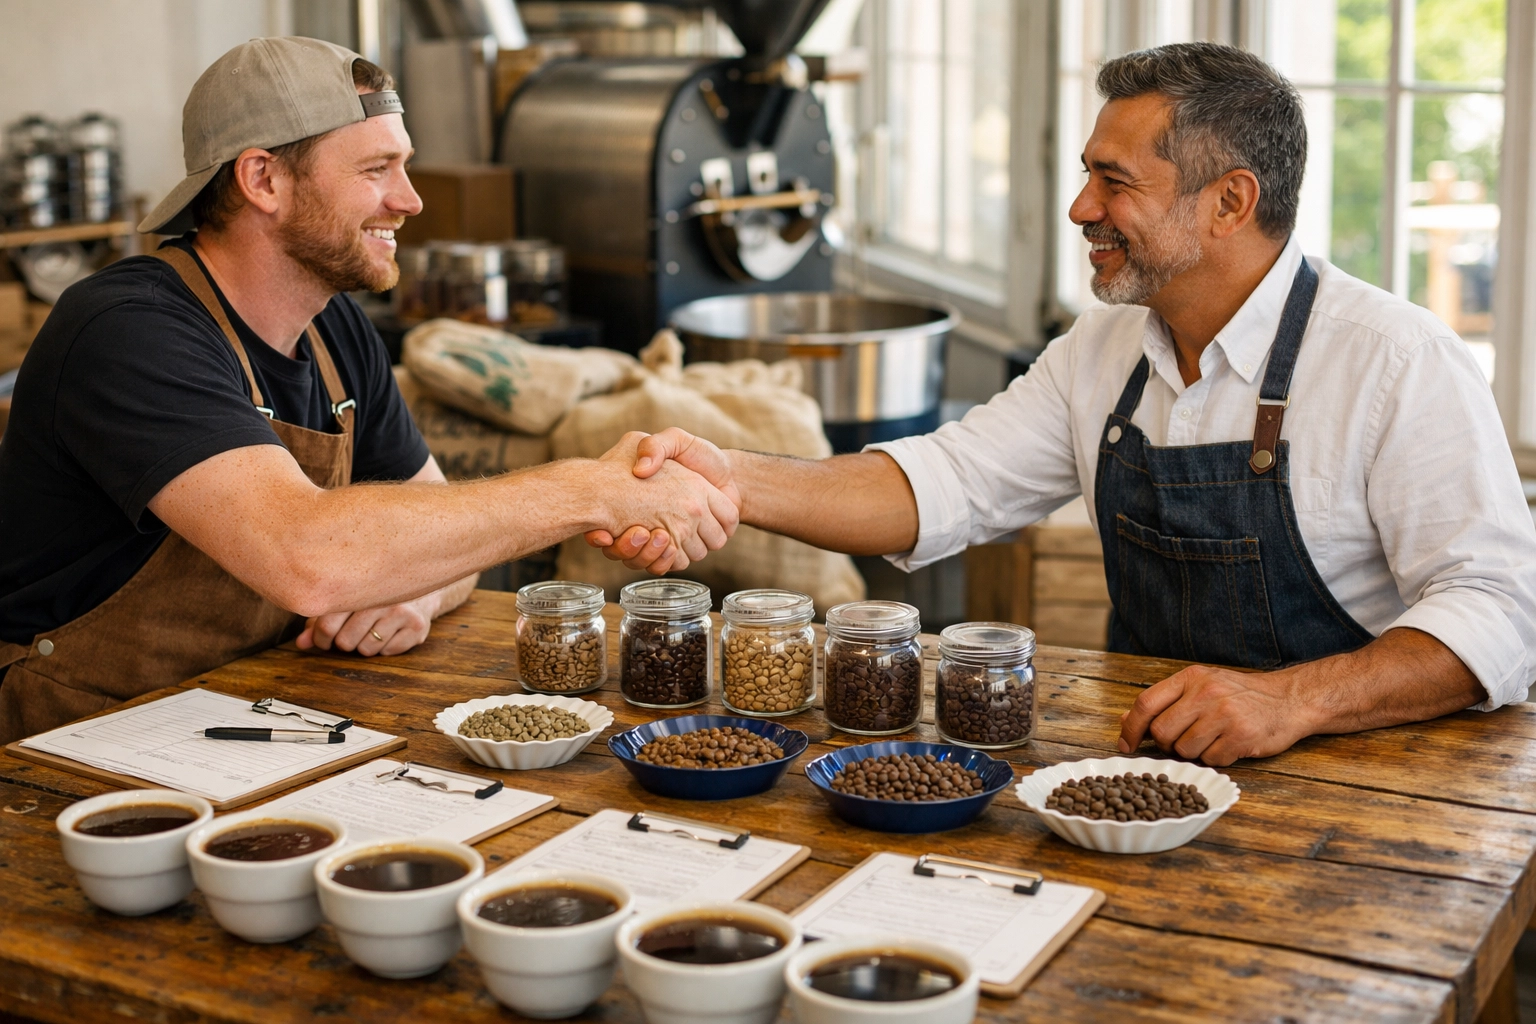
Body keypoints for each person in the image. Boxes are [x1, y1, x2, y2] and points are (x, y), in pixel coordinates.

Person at [589, 42, 1536, 767]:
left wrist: (1289, 703)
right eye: (1087, 173)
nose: (1081, 209)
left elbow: (1500, 615)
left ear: (1229, 202)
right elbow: (938, 486)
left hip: (1363, 783)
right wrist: (725, 476)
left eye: (1113, 181)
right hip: (1150, 767)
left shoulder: (1394, 359)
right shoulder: (1105, 348)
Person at [0, 37, 736, 742]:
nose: (411, 200)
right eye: (377, 169)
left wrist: (410, 594)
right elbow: (306, 556)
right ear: (263, 180)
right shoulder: (128, 329)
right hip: (74, 738)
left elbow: (451, 538)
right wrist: (588, 489)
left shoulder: (334, 330)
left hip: (246, 710)